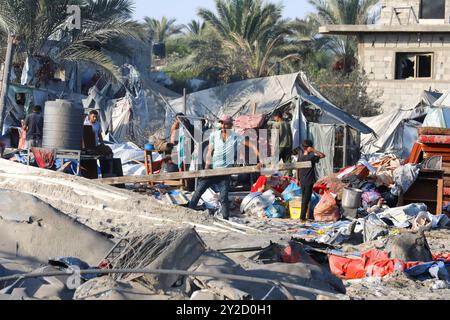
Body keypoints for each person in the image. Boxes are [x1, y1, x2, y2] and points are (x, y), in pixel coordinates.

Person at [188, 115, 261, 220]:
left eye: (226, 123)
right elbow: (210, 152)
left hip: (225, 172)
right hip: (213, 170)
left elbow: (252, 145)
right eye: (222, 123)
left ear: (231, 125)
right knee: (198, 191)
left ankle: (225, 218)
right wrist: (207, 168)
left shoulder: (236, 137)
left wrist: (260, 160)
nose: (223, 126)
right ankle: (189, 212)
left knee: (223, 197)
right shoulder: (214, 135)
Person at [298, 140, 326, 223]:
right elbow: (323, 155)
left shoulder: (300, 156)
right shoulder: (311, 157)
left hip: (302, 180)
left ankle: (305, 215)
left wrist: (297, 179)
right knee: (306, 199)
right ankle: (302, 217)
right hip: (309, 180)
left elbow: (297, 168)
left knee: (305, 199)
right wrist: (314, 150)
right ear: (309, 148)